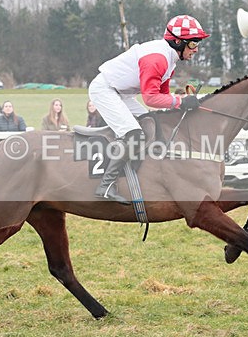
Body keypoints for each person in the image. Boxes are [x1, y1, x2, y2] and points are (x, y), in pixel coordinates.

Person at [88, 14, 208, 202]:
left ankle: (138, 171)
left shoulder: (170, 60)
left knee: (150, 123)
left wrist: (182, 103)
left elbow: (164, 96)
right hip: (105, 90)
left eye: (198, 43)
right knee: (134, 134)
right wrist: (181, 102)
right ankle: (106, 185)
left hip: (121, 93)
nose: (196, 49)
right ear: (177, 42)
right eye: (193, 44)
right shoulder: (157, 59)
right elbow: (151, 98)